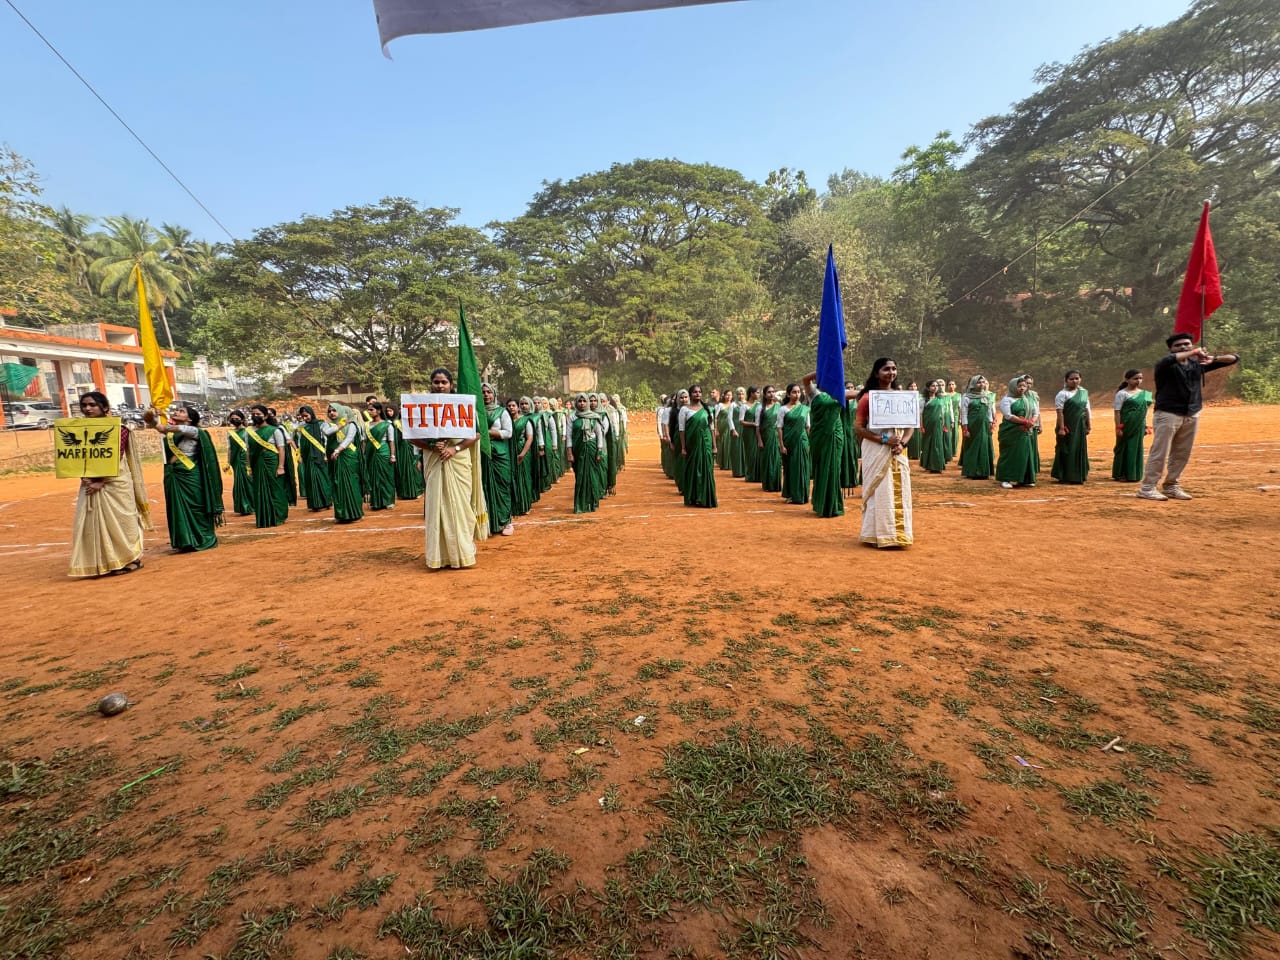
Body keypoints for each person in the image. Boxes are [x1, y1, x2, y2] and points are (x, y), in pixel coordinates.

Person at [1138, 334, 1240, 501]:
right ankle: (1147, 487)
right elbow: (1171, 359)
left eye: (1187, 344)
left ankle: (1171, 486)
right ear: (1171, 349)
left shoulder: (1197, 365)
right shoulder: (1165, 365)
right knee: (1160, 453)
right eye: (1178, 345)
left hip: (1192, 413)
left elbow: (1234, 358)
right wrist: (1194, 352)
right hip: (1168, 413)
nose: (1183, 347)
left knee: (1182, 453)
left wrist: (1213, 358)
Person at [68, 391, 151, 578]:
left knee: (122, 522)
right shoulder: (78, 429)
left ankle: (130, 559)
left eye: (92, 405)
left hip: (115, 483)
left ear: (104, 407)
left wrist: (101, 481)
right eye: (84, 405)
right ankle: (102, 562)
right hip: (89, 482)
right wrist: (84, 476)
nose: (87, 409)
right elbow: (75, 455)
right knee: (91, 523)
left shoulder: (118, 429)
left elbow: (115, 456)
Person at [410, 367, 485, 570]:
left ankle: (463, 552)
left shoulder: (463, 405)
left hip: (458, 461)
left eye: (444, 382)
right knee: (437, 507)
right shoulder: (421, 408)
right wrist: (431, 446)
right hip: (434, 460)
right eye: (436, 382)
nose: (440, 385)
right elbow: (411, 436)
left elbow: (477, 434)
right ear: (431, 384)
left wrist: (454, 448)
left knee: (461, 507)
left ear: (451, 385)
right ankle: (439, 556)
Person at [852, 358, 912, 548]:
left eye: (894, 369)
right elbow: (858, 428)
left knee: (901, 490)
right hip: (876, 449)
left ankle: (899, 534)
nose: (891, 372)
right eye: (886, 369)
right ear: (876, 373)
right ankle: (876, 534)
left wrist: (902, 444)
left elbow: (911, 426)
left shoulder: (902, 397)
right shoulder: (867, 398)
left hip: (898, 451)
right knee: (879, 491)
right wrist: (885, 440)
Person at [152, 402, 222, 551]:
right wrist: (153, 415)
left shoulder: (193, 430)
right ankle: (185, 541)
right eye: (177, 410)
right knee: (177, 507)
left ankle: (202, 538)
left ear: (189, 419)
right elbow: (157, 426)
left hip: (189, 474)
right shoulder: (174, 434)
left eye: (181, 411)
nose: (177, 412)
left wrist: (160, 420)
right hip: (175, 473)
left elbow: (166, 428)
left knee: (195, 506)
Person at [802, 372, 847, 518]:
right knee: (821, 468)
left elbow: (860, 393)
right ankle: (821, 504)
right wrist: (824, 368)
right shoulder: (814, 392)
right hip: (819, 436)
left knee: (834, 468)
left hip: (835, 436)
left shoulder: (839, 393)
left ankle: (833, 504)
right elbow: (805, 379)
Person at [246, 404, 290, 527]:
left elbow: (281, 449)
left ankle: (278, 515)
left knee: (275, 488)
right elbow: (248, 451)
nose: (255, 416)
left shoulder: (275, 430)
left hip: (272, 462)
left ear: (265, 416)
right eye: (253, 414)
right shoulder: (249, 432)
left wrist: (281, 467)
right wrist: (249, 467)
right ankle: (264, 516)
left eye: (258, 414)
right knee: (259, 489)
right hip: (256, 463)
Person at [480, 384, 515, 536]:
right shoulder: (476, 412)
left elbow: (508, 433)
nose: (486, 395)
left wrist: (487, 432)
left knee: (502, 486)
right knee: (484, 486)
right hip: (482, 453)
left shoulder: (502, 412)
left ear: (494, 394)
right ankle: (489, 523)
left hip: (500, 455)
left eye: (489, 392)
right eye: (483, 392)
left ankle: (506, 522)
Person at [322, 403, 364, 524]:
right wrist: (341, 424)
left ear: (341, 411)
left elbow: (349, 439)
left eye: (334, 410)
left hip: (348, 456)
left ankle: (355, 513)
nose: (331, 413)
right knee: (338, 484)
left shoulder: (352, 425)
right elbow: (327, 432)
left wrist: (338, 450)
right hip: (334, 459)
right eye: (329, 411)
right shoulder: (326, 424)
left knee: (351, 483)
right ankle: (341, 514)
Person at [1111, 369, 1154, 482]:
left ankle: (1134, 474)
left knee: (1136, 448)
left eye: (1140, 378)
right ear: (1127, 379)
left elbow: (1143, 411)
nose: (1138, 381)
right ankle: (1121, 473)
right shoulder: (1122, 394)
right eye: (1135, 378)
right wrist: (1118, 428)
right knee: (1124, 448)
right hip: (1126, 425)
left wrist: (1145, 426)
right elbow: (1117, 412)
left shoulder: (1144, 394)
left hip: (1139, 425)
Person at [568, 392, 608, 513]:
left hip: (592, 449)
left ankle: (592, 503)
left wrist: (599, 451)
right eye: (580, 401)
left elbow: (599, 435)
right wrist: (569, 452)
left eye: (584, 401)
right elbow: (569, 436)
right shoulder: (572, 417)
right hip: (578, 449)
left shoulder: (594, 417)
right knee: (580, 475)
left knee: (592, 475)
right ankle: (580, 504)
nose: (582, 403)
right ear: (576, 403)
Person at [679, 384, 717, 508]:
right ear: (690, 394)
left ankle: (706, 497)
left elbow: (712, 428)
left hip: (706, 443)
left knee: (707, 468)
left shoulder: (708, 409)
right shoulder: (684, 410)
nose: (697, 394)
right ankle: (693, 497)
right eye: (695, 392)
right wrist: (683, 447)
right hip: (692, 443)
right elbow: (682, 429)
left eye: (699, 392)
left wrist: (714, 446)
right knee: (693, 469)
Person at [1050, 370, 1092, 484]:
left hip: (1080, 426)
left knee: (1079, 449)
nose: (1074, 381)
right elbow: (1060, 412)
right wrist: (1061, 428)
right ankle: (1065, 475)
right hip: (1067, 426)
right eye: (1071, 379)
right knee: (1067, 450)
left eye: (1077, 378)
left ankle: (1079, 475)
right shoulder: (1062, 394)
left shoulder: (1083, 392)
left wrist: (1089, 425)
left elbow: (1087, 409)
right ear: (1066, 380)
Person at [996, 376, 1037, 489]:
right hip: (1010, 431)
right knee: (1009, 454)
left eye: (1024, 386)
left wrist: (1031, 421)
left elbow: (1035, 412)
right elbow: (1008, 415)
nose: (1022, 388)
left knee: (1024, 453)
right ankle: (1005, 479)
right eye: (1019, 386)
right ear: (1013, 387)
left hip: (1024, 431)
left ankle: (1024, 479)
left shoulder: (1028, 399)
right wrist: (1024, 422)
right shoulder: (1007, 400)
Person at [294, 405, 334, 512]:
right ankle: (315, 504)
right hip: (307, 456)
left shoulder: (321, 424)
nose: (305, 418)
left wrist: (325, 454)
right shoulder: (302, 426)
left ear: (311, 413)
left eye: (306, 415)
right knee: (310, 479)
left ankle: (325, 502)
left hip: (319, 455)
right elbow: (300, 441)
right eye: (303, 416)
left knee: (322, 478)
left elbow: (326, 440)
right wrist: (299, 455)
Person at [777, 383, 810, 505]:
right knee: (791, 468)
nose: (797, 394)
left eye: (798, 392)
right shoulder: (783, 409)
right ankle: (792, 494)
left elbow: (807, 426)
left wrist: (809, 443)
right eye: (794, 392)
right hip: (789, 442)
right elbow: (779, 428)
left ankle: (802, 494)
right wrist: (782, 445)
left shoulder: (805, 409)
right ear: (788, 394)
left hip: (802, 441)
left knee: (803, 468)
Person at [958, 376, 996, 480]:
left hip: (984, 425)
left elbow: (989, 411)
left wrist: (991, 423)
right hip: (972, 425)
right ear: (973, 384)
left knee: (983, 446)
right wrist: (965, 428)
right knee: (972, 447)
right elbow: (964, 413)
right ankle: (971, 471)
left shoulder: (986, 396)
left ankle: (984, 471)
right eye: (979, 382)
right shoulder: (966, 397)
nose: (982, 384)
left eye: (983, 382)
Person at [362, 400, 397, 511]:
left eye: (371, 410)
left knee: (386, 476)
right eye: (368, 410)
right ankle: (377, 502)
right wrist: (363, 454)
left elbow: (391, 441)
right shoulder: (366, 425)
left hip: (383, 452)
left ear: (378, 411)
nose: (369, 412)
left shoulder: (387, 425)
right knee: (373, 477)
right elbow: (364, 441)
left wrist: (392, 455)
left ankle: (388, 501)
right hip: (370, 453)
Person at [388, 403, 425, 501]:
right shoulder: (396, 423)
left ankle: (417, 491)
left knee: (415, 469)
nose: (402, 410)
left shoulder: (415, 422)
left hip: (413, 449)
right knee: (403, 470)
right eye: (400, 408)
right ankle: (404, 492)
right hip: (401, 450)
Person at [224, 409, 254, 516]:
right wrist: (228, 463)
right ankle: (243, 507)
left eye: (237, 418)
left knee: (249, 481)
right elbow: (229, 449)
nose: (234, 420)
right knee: (239, 482)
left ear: (242, 419)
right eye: (232, 419)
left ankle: (253, 505)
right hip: (236, 461)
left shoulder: (249, 431)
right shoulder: (230, 433)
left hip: (246, 459)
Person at [509, 398, 534, 517]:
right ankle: (515, 506)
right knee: (513, 478)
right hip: (510, 451)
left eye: (513, 405)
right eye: (509, 406)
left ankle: (525, 505)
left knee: (523, 478)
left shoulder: (525, 421)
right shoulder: (506, 420)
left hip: (523, 451)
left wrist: (522, 454)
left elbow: (529, 438)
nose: (511, 408)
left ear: (518, 408)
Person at [918, 381, 949, 474]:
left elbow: (942, 413)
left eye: (936, 386)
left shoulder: (940, 399)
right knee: (927, 443)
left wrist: (943, 424)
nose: (935, 387)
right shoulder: (923, 400)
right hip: (927, 424)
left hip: (938, 425)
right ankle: (928, 465)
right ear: (928, 388)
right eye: (933, 386)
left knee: (937, 443)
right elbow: (920, 414)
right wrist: (921, 425)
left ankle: (937, 465)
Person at [757, 385, 782, 492]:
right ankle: (767, 484)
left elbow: (781, 424)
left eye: (773, 392)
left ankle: (776, 484)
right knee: (766, 460)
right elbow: (757, 426)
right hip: (765, 437)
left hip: (776, 436)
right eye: (769, 392)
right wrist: (759, 440)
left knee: (776, 460)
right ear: (764, 394)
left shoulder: (779, 406)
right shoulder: (760, 408)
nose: (771, 394)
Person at [740, 387, 760, 483]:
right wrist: (752, 424)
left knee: (758, 453)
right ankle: (750, 475)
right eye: (757, 392)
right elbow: (741, 421)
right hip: (748, 432)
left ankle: (758, 475)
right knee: (750, 453)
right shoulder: (744, 406)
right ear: (751, 393)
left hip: (758, 431)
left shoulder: (759, 405)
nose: (759, 394)